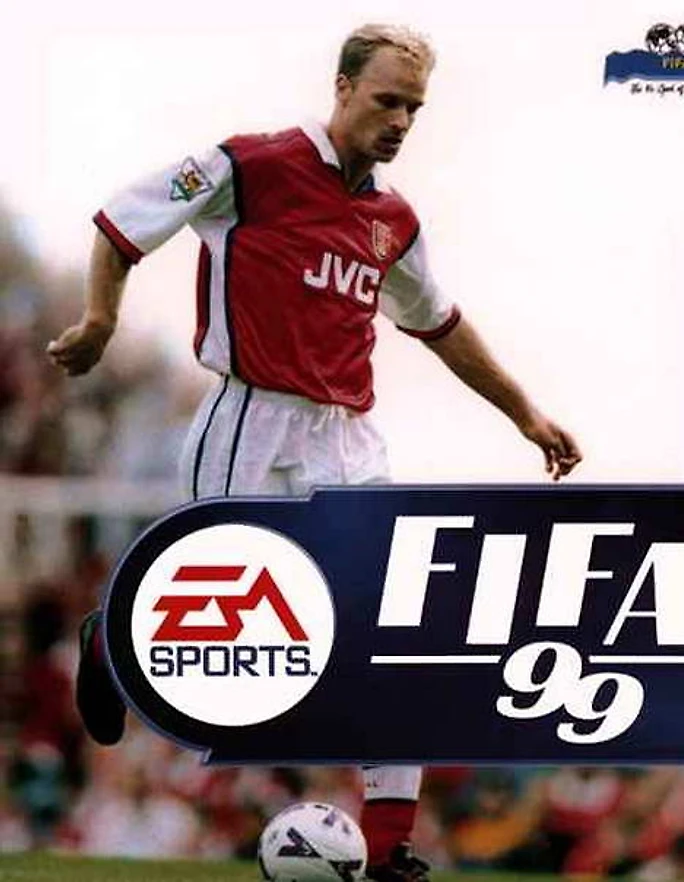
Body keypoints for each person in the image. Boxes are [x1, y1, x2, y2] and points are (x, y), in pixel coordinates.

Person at [47, 23, 582, 881]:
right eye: (387, 100)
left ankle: (388, 848)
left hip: (349, 440)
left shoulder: (393, 221)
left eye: (414, 108)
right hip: (249, 421)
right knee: (219, 640)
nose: (401, 121)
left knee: (395, 630)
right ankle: (115, 638)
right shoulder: (250, 164)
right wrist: (101, 318)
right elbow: (122, 224)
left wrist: (526, 414)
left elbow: (439, 323)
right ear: (342, 89)